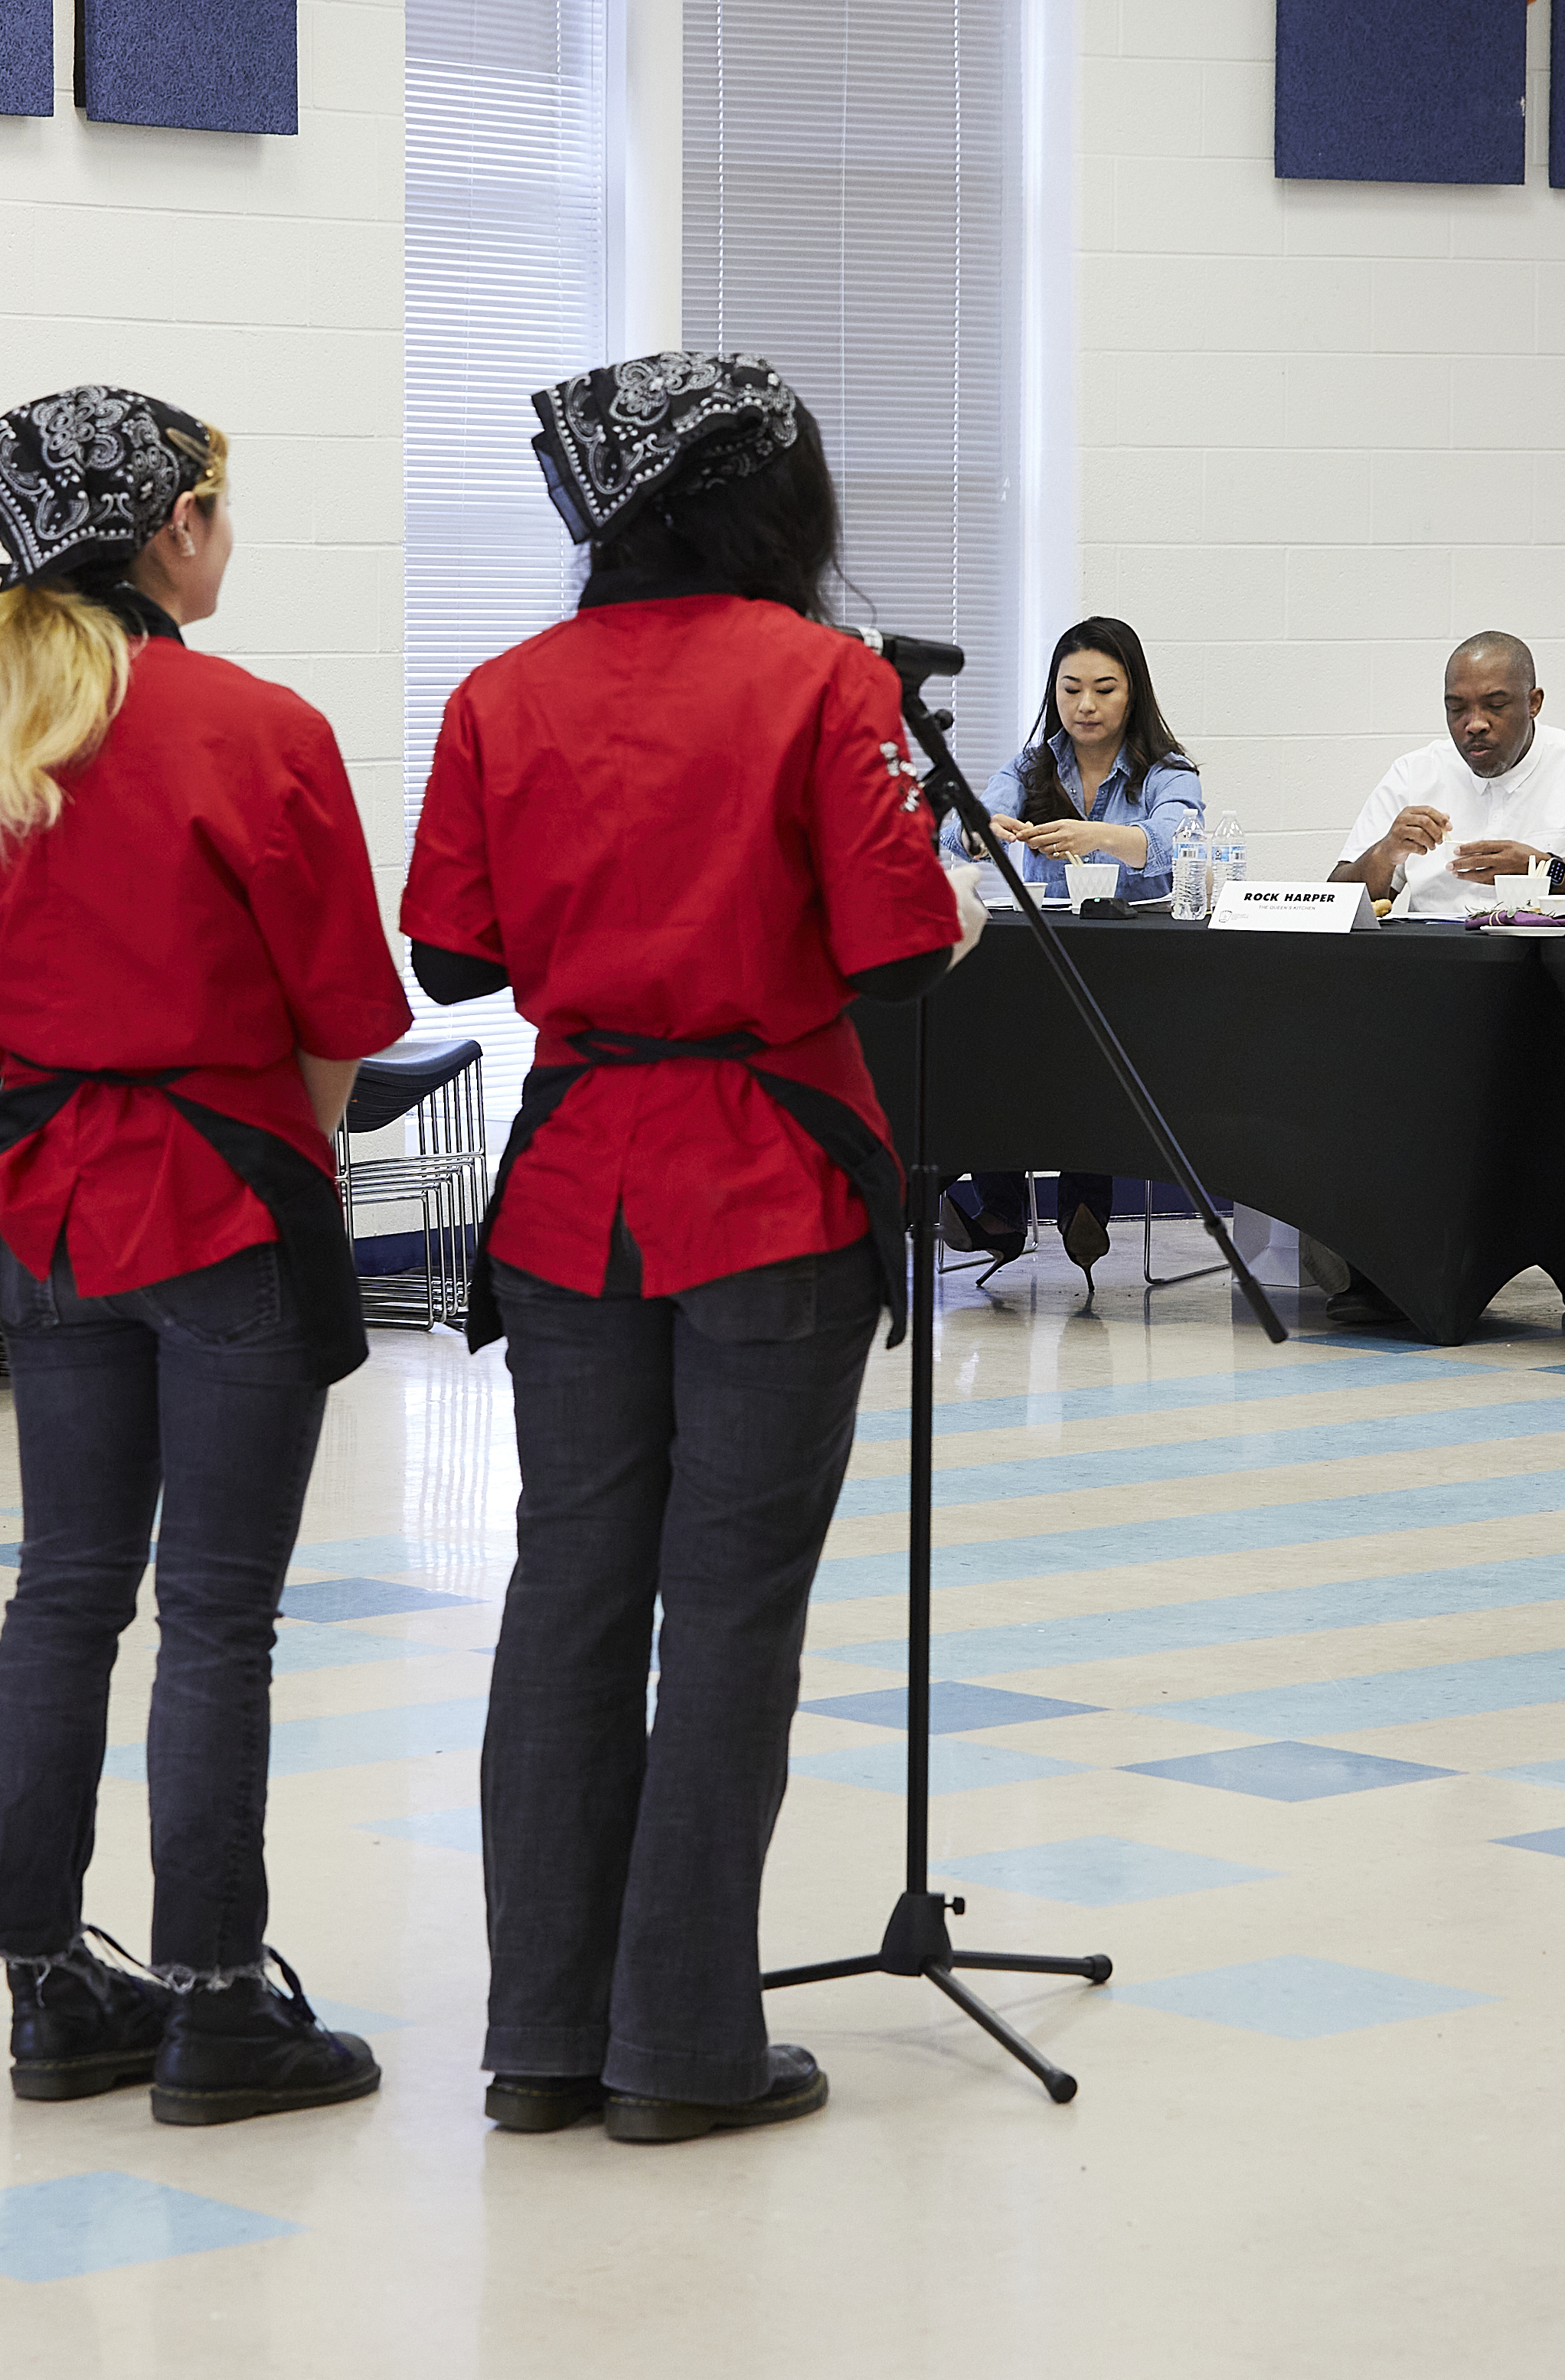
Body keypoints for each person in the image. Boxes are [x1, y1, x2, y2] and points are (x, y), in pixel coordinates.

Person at [404, 351, 982, 2144]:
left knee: (564, 1601)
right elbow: (898, 955)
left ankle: (543, 2046)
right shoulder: (826, 681)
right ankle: (683, 2050)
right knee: (730, 1619)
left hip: (576, 1183)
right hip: (771, 1191)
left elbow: (450, 960)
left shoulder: (502, 692)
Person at [0, 386, 410, 2125]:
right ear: (172, 533)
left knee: (65, 1594)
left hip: (53, 1204)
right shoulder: (255, 728)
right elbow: (346, 1017)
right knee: (218, 1618)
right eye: (220, 505)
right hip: (220, 1201)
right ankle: (215, 2008)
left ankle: (53, 1994)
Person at [933, 615, 1203, 1283]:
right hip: (1048, 963)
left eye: (1105, 689)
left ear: (1133, 692)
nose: (1085, 705)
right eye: (1071, 688)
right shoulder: (1031, 765)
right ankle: (1002, 1212)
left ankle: (1083, 1207)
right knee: (990, 1035)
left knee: (1087, 1040)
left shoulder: (1168, 771)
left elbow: (1173, 839)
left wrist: (1096, 834)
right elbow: (954, 830)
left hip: (1133, 967)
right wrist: (978, 830)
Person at [1330, 632, 1565, 910]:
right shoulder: (1414, 774)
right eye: (1457, 708)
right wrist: (1385, 852)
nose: (1475, 724)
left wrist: (1546, 871)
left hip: (1556, 975)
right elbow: (1335, 907)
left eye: (1495, 705)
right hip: (1436, 970)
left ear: (1533, 703)